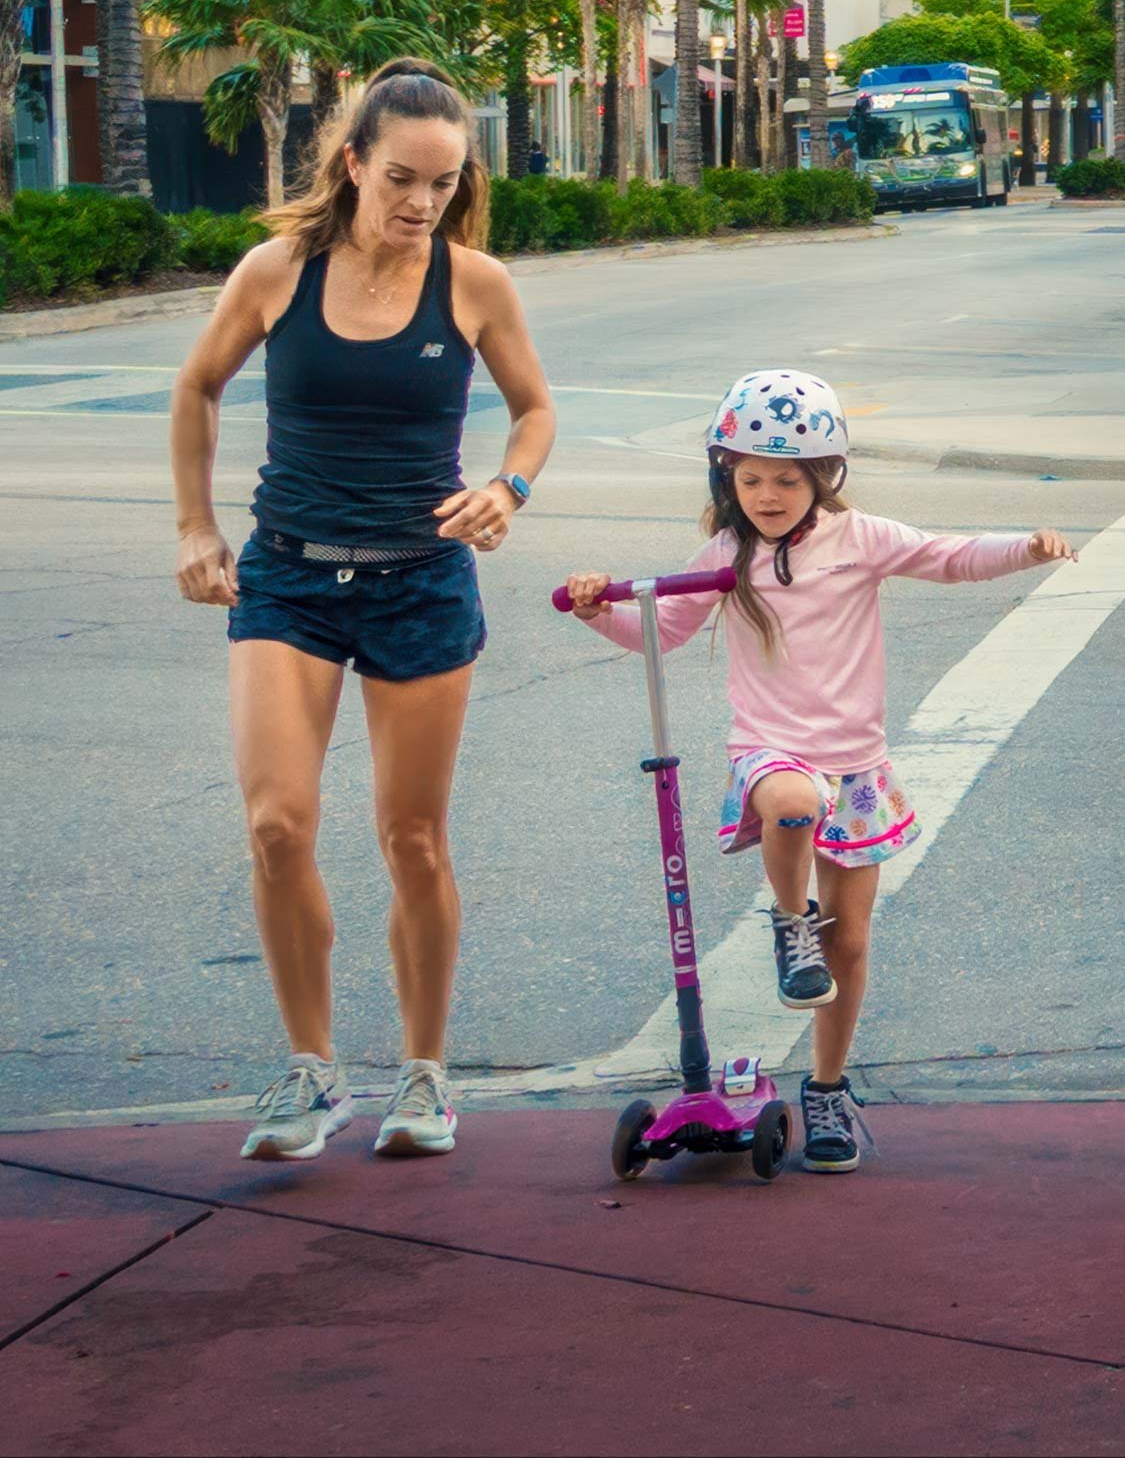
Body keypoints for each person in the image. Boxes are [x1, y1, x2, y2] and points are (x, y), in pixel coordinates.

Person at [172, 58, 556, 1164]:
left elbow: (534, 411)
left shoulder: (473, 283)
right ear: (351, 162)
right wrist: (197, 528)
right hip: (289, 574)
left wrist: (506, 487)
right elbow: (197, 385)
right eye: (401, 178)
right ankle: (312, 1069)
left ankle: (425, 1074)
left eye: (443, 183)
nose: (421, 203)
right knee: (277, 823)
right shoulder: (278, 270)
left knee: (412, 836)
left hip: (420, 579)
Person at [563, 369, 1075, 1174]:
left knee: (852, 947)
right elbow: (655, 629)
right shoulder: (725, 552)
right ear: (724, 476)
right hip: (770, 749)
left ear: (822, 478)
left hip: (857, 762)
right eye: (750, 477)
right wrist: (598, 607)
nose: (767, 493)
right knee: (793, 804)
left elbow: (947, 556)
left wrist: (1025, 546)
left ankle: (828, 1090)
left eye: (786, 479)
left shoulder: (858, 537)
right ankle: (787, 920)